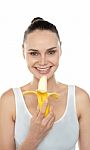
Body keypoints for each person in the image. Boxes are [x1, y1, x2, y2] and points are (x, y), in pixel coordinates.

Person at [0, 17, 90, 150]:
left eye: (51, 52)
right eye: (34, 53)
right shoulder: (9, 101)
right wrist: (33, 137)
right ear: (23, 52)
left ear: (60, 51)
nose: (43, 62)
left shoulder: (80, 99)